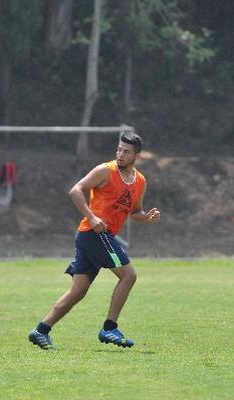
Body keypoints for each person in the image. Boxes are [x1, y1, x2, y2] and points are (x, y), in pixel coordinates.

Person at [28, 132, 161, 350]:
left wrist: (146, 218)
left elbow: (135, 212)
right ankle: (109, 327)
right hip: (94, 233)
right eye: (119, 149)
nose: (120, 154)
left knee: (78, 290)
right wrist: (92, 216)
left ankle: (41, 330)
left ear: (137, 155)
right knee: (129, 276)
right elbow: (76, 190)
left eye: (126, 151)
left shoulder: (140, 181)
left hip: (95, 236)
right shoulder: (105, 171)